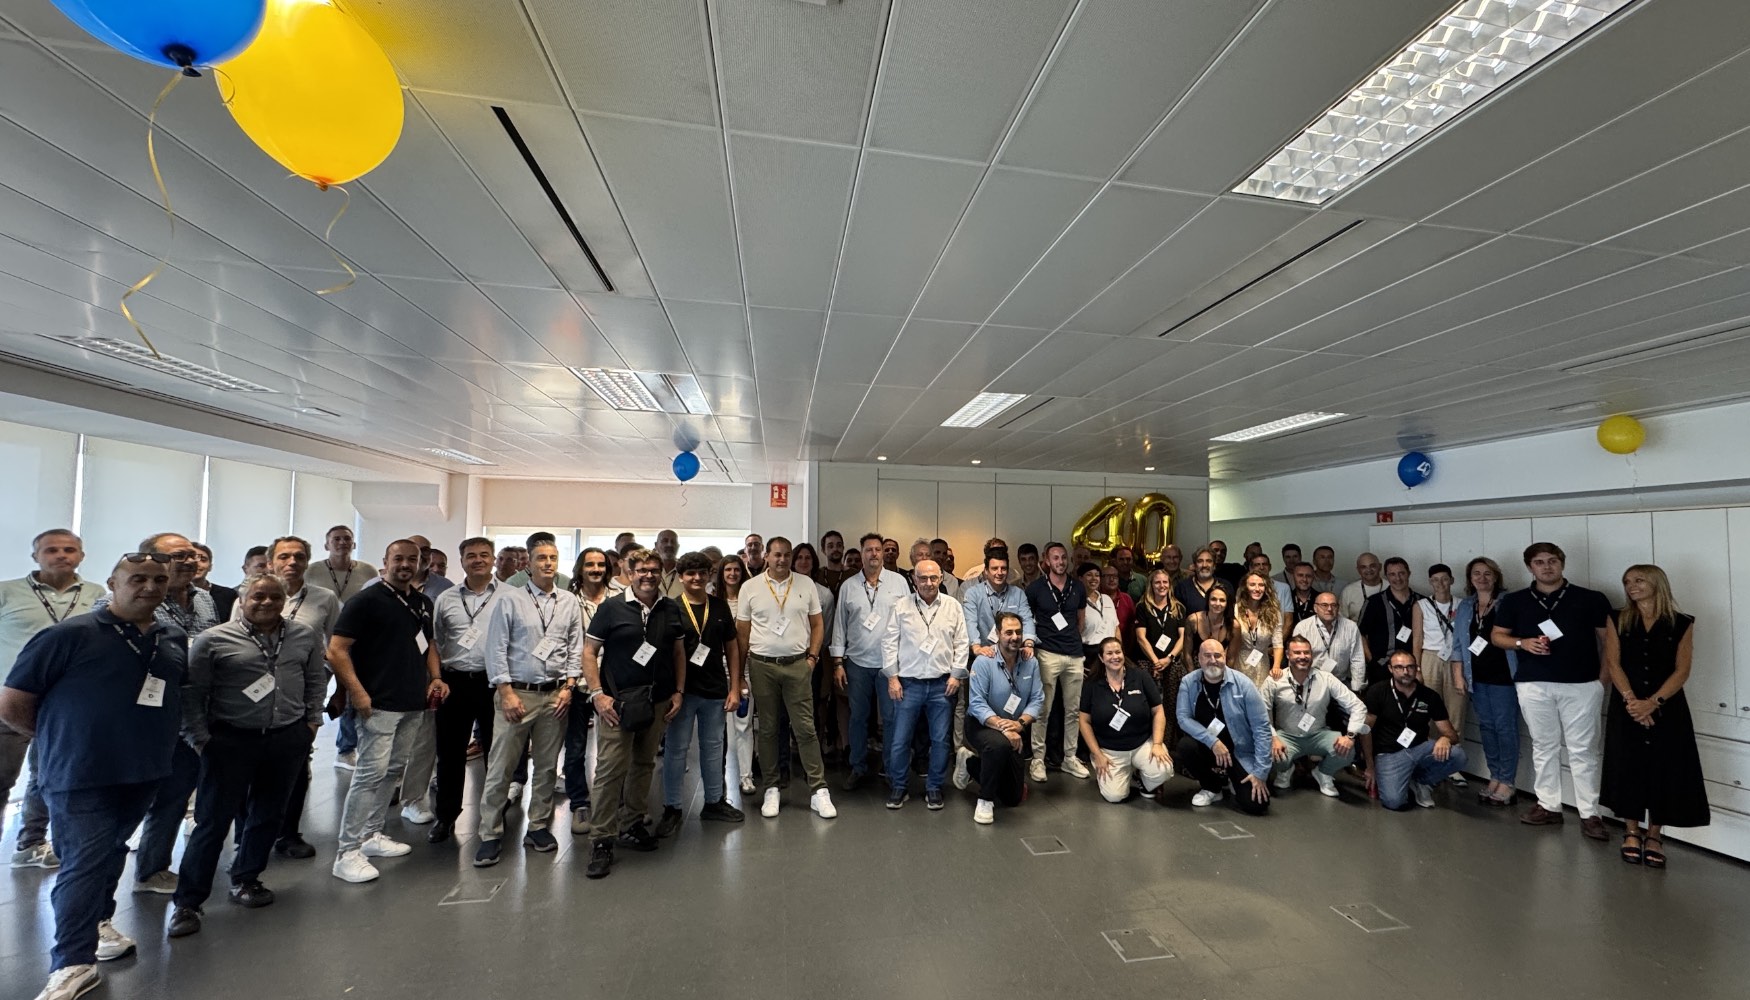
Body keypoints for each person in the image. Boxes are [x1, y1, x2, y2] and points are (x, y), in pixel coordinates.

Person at [2, 552, 186, 1000]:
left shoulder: (171, 638)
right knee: (84, 861)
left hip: (143, 770)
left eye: (159, 579)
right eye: (137, 578)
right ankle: (72, 962)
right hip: (80, 773)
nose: (149, 587)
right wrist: (57, 739)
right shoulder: (67, 635)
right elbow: (13, 703)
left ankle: (99, 922)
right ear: (112, 583)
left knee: (112, 850)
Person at [167, 573, 326, 938]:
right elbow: (192, 693)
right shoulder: (213, 639)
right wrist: (200, 739)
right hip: (230, 740)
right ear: (243, 599)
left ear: (284, 600)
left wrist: (311, 723)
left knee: (268, 814)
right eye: (258, 596)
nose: (266, 602)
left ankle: (247, 879)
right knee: (212, 821)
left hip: (286, 737)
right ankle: (188, 902)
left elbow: (315, 680)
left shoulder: (303, 635)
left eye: (274, 597)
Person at [328, 540, 447, 884]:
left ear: (422, 563)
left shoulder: (422, 602)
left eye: (413, 559)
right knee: (369, 774)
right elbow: (336, 650)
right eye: (399, 559)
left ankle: (371, 834)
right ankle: (347, 852)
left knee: (393, 770)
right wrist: (357, 692)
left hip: (412, 702)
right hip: (377, 702)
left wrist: (436, 678)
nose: (406, 565)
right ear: (385, 561)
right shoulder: (365, 601)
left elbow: (429, 645)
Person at [110, 533, 216, 897]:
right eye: (177, 556)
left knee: (174, 796)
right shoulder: (126, 601)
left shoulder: (204, 598)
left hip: (190, 714)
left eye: (191, 555)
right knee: (123, 810)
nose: (188, 562)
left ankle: (152, 870)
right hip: (140, 720)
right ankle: (96, 898)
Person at [473, 537, 582, 867]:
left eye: (553, 558)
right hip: (516, 694)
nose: (548, 563)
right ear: (528, 564)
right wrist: (506, 692)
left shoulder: (568, 601)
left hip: (556, 695)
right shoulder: (511, 599)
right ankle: (490, 833)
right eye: (541, 558)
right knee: (501, 768)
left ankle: (538, 827)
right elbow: (495, 648)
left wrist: (569, 686)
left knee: (547, 767)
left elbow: (575, 646)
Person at [1492, 542, 1613, 839]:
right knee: (1544, 746)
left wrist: (1602, 681)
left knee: (1583, 750)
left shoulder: (1591, 598)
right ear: (1529, 567)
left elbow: (1609, 641)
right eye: (1539, 562)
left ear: (1562, 563)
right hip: (1534, 684)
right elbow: (1497, 637)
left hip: (1582, 685)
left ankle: (1589, 813)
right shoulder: (1515, 601)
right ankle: (1548, 805)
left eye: (1552, 561)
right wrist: (1522, 643)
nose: (1546, 566)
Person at [1, 529, 105, 870]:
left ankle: (30, 843)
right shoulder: (6, 591)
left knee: (47, 776)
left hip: (66, 704)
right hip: (12, 699)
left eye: (69, 549)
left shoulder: (97, 594)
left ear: (81, 556)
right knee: (2, 778)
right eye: (51, 550)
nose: (61, 555)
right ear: (35, 556)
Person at [580, 548, 686, 878]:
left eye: (654, 570)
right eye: (641, 570)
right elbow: (589, 651)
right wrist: (597, 695)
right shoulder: (611, 608)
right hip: (618, 704)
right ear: (629, 572)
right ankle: (601, 838)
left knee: (644, 764)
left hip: (657, 701)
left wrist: (678, 691)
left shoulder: (670, 608)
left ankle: (632, 823)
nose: (648, 575)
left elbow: (679, 652)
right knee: (611, 769)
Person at [1602, 564, 1709, 869]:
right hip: (1627, 704)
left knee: (1665, 769)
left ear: (1657, 583)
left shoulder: (1681, 622)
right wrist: (1633, 702)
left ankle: (1654, 835)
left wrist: (1653, 702)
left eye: (1639, 580)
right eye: (1627, 581)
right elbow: (1614, 663)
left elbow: (1682, 669)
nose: (1631, 586)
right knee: (1628, 765)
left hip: (1667, 707)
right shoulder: (1617, 618)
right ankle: (1631, 831)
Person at [246, 536, 342, 860]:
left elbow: (337, 646)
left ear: (307, 561)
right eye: (284, 556)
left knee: (296, 768)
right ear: (271, 561)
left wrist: (339, 689)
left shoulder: (324, 598)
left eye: (299, 557)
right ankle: (248, 837)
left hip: (299, 694)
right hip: (252, 695)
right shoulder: (250, 593)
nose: (292, 563)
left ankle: (288, 834)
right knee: (252, 769)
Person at [737, 537, 834, 819]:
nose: (782, 560)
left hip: (797, 665)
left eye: (787, 555)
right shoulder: (750, 587)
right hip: (762, 666)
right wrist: (740, 674)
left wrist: (812, 658)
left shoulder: (805, 584)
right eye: (777, 555)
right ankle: (772, 788)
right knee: (768, 729)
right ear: (766, 556)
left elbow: (818, 624)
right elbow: (742, 632)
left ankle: (819, 790)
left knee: (805, 728)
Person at [657, 552, 745, 834]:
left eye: (702, 573)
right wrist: (670, 691)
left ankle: (714, 802)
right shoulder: (671, 607)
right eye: (690, 573)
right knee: (676, 750)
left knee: (714, 748)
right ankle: (672, 807)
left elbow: (732, 648)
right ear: (681, 577)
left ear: (709, 575)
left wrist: (734, 688)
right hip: (681, 693)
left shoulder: (719, 606)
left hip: (715, 689)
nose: (697, 578)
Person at [424, 538, 502, 845]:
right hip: (453, 682)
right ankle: (445, 816)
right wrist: (436, 677)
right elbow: (435, 642)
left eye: (484, 555)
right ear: (462, 561)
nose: (478, 560)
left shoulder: (510, 596)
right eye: (471, 555)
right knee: (450, 753)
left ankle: (494, 817)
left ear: (493, 559)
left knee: (497, 753)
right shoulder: (446, 598)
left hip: (495, 683)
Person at [881, 559, 968, 810]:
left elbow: (962, 642)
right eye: (923, 578)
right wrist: (892, 678)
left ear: (940, 578)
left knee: (940, 740)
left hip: (943, 685)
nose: (928, 583)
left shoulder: (952, 606)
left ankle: (934, 787)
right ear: (914, 579)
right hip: (908, 685)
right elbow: (889, 643)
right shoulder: (901, 606)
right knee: (900, 740)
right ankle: (899, 786)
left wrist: (956, 675)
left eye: (933, 578)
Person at [831, 533, 908, 791]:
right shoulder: (849, 586)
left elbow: (908, 622)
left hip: (890, 664)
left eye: (878, 549)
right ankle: (858, 766)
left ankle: (891, 768)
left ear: (883, 553)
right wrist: (838, 663)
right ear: (861, 554)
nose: (874, 554)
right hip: (857, 663)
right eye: (869, 550)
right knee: (858, 717)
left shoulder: (899, 583)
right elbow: (839, 625)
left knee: (891, 718)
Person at [956, 613, 1042, 824]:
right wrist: (1004, 728)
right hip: (982, 725)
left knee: (1013, 798)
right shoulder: (983, 662)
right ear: (997, 633)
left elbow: (1037, 699)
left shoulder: (1030, 662)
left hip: (1015, 726)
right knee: (998, 745)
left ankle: (969, 763)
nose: (1014, 637)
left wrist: (1019, 724)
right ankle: (985, 800)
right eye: (1008, 632)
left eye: (1018, 632)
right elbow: (977, 704)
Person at [1174, 639, 1272, 814]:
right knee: (1185, 747)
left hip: (1239, 752)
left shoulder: (1244, 684)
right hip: (1208, 748)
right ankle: (1212, 787)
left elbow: (1262, 728)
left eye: (1217, 655)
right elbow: (1183, 718)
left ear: (1225, 657)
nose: (1213, 660)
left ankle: (1233, 779)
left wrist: (1260, 772)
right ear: (1199, 658)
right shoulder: (1188, 682)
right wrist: (1213, 742)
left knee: (1256, 805)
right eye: (1207, 655)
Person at [1262, 636, 1367, 797]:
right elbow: (1262, 712)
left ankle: (1324, 772)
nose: (1302, 656)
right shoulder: (1275, 680)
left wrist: (1350, 736)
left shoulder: (1326, 678)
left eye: (1306, 652)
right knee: (1270, 751)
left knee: (1348, 750)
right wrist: (1273, 737)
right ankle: (1285, 770)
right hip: (1287, 736)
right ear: (1288, 655)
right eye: (1297, 652)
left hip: (1318, 734)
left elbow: (1358, 706)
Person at [1361, 651, 1467, 810]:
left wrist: (1445, 738)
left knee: (1458, 756)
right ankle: (1405, 780)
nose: (1405, 672)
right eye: (1399, 667)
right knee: (1393, 802)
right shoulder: (1378, 691)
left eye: (1410, 667)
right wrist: (1370, 766)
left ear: (1416, 668)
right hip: (1389, 754)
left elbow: (1451, 734)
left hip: (1419, 748)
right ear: (1390, 669)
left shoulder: (1429, 696)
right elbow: (1365, 730)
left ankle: (1422, 782)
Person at [1455, 557, 1518, 807]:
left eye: (1487, 573)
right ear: (1470, 578)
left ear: (1496, 576)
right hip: (1476, 677)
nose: (1482, 578)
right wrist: (1458, 674)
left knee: (1505, 728)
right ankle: (1495, 776)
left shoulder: (1509, 601)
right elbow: (1458, 644)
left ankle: (1508, 781)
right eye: (1476, 574)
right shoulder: (1465, 605)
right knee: (1487, 728)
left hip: (1504, 676)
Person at [1078, 637, 1172, 803]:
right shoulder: (1091, 684)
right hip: (1110, 750)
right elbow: (1084, 721)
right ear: (1101, 658)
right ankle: (1123, 773)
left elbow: (1158, 711)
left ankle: (1142, 778)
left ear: (1123, 654)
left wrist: (1157, 744)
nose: (1115, 657)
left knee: (1163, 769)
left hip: (1142, 744)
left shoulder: (1140, 676)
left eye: (1118, 652)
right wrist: (1097, 754)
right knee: (1114, 796)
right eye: (1109, 653)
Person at [1024, 542, 1089, 782]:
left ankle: (1069, 757)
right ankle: (1038, 759)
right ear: (1046, 561)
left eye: (1063, 557)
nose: (1060, 562)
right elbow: (1028, 619)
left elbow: (1080, 621)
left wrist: (1072, 640)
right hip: (1047, 654)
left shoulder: (1078, 586)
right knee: (1043, 710)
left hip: (1074, 654)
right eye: (1055, 558)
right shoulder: (1036, 588)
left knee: (1073, 711)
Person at [563, 548, 615, 835]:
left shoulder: (619, 598)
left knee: (613, 750)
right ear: (580, 568)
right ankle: (579, 803)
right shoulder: (567, 600)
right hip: (577, 684)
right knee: (575, 749)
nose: (596, 569)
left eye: (600, 564)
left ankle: (614, 802)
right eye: (590, 564)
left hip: (611, 685)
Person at [1411, 563, 1466, 786]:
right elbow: (1417, 638)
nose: (1440, 583)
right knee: (1430, 709)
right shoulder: (1421, 605)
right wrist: (1417, 668)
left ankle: (1453, 763)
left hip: (1455, 658)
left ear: (1452, 580)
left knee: (1456, 710)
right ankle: (1432, 760)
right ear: (1430, 582)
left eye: (1444, 579)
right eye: (1435, 580)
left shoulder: (1463, 604)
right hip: (1430, 657)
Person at [1131, 569, 1186, 742]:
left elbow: (1183, 637)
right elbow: (1141, 637)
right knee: (1148, 704)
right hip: (1148, 662)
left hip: (1172, 662)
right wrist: (1156, 662)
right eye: (1157, 582)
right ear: (1151, 585)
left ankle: (1168, 744)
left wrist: (1169, 658)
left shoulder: (1178, 608)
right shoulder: (1142, 607)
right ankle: (1147, 743)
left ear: (1169, 585)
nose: (1162, 586)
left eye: (1165, 582)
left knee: (1171, 705)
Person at [1359, 557, 1422, 688]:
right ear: (1386, 576)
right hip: (1382, 666)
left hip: (1413, 667)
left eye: (1401, 573)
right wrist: (1372, 661)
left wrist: (1418, 666)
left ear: (1409, 573)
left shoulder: (1422, 602)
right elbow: (1360, 633)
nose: (1397, 578)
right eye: (1392, 574)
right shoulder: (1374, 602)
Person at [1292, 592, 1367, 692]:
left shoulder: (1351, 627)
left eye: (1333, 605)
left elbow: (1357, 659)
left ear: (1338, 608)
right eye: (1324, 605)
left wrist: (1356, 689)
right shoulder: (1303, 627)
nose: (1329, 609)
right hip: (1311, 682)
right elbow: (1295, 659)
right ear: (1315, 608)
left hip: (1341, 682)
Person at [1230, 571, 1284, 687]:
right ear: (1245, 587)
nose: (1257, 589)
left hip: (1262, 664)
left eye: (1261, 585)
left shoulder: (1274, 612)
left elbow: (1278, 643)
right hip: (1238, 662)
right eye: (1252, 584)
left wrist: (1276, 666)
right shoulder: (1235, 610)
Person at [309, 525, 376, 602]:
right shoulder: (310, 570)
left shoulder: (369, 571)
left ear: (354, 545)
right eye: (336, 539)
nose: (342, 542)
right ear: (326, 546)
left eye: (347, 539)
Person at [1079, 562, 1121, 672]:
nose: (1094, 578)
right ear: (1080, 578)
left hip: (1111, 651)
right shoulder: (1076, 601)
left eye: (1097, 575)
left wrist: (1120, 649)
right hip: (1089, 653)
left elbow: (1116, 627)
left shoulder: (1106, 599)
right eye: (1089, 575)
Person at [191, 543, 238, 622]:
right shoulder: (172, 593)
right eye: (193, 559)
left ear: (210, 567)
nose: (197, 564)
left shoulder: (228, 595)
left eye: (203, 560)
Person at [1173, 547, 1222, 616]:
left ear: (1214, 566)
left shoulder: (1226, 586)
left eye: (1209, 561)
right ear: (1195, 566)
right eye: (1200, 561)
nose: (1204, 565)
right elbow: (1178, 617)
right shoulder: (1182, 588)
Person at [1340, 552, 1384, 623]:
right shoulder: (1349, 591)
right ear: (1358, 570)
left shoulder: (1391, 587)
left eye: (1372, 566)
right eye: (1363, 567)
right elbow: (1342, 620)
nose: (1368, 570)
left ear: (1380, 567)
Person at [1284, 562, 1318, 629]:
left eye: (1308, 576)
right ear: (1293, 576)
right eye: (1300, 575)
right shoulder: (1286, 598)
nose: (1304, 579)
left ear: (1313, 577)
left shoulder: (1321, 599)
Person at [654, 529, 684, 598]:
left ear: (678, 546)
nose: (669, 545)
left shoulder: (685, 571)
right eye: (665, 541)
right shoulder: (648, 572)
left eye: (673, 542)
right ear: (656, 545)